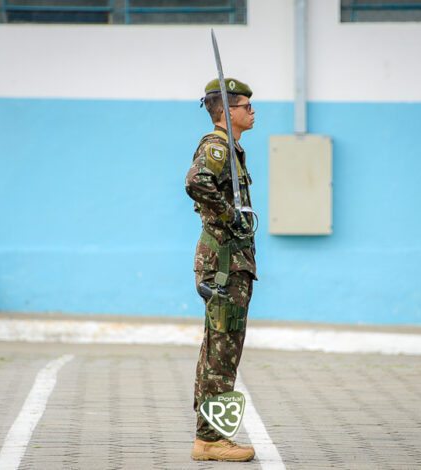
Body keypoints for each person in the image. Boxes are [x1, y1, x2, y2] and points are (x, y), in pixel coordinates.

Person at [185, 78, 257, 462]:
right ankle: (211, 439)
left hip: (229, 263)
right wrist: (229, 216)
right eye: (246, 106)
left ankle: (207, 436)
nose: (252, 112)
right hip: (224, 265)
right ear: (228, 112)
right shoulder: (217, 146)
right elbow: (196, 182)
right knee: (222, 354)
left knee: (217, 348)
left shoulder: (231, 148)